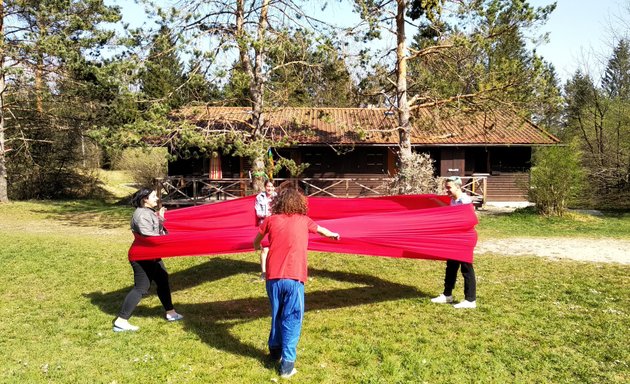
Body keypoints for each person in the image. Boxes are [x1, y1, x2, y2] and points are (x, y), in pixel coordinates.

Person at [253, 182, 340, 378]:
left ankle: (274, 353)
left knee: (276, 314)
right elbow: (322, 230)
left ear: (278, 202)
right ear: (300, 203)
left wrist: (258, 248)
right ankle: (287, 366)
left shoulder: (270, 220)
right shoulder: (304, 220)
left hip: (273, 278)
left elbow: (256, 241)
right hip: (294, 278)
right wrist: (334, 235)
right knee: (292, 318)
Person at [112, 188, 183, 332]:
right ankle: (121, 320)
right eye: (154, 196)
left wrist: (160, 219)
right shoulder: (141, 215)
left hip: (152, 255)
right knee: (141, 288)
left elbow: (156, 231)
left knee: (162, 280)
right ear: (145, 199)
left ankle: (171, 312)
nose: (157, 198)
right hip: (142, 256)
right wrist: (172, 240)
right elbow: (150, 237)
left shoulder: (148, 213)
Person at [431, 176, 477, 309]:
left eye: (449, 187)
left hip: (465, 238)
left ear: (458, 187)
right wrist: (436, 202)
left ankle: (470, 300)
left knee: (466, 268)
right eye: (446, 187)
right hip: (455, 238)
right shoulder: (453, 200)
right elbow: (450, 212)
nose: (447, 190)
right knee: (451, 266)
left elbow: (471, 219)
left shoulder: (465, 201)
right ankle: (447, 295)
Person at [255, 180, 276, 280]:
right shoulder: (259, 197)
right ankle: (264, 272)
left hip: (276, 225)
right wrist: (267, 215)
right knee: (265, 249)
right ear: (265, 187)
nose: (270, 188)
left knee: (276, 248)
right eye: (268, 186)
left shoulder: (278, 197)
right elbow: (258, 212)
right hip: (264, 224)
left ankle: (275, 271)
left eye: (272, 186)